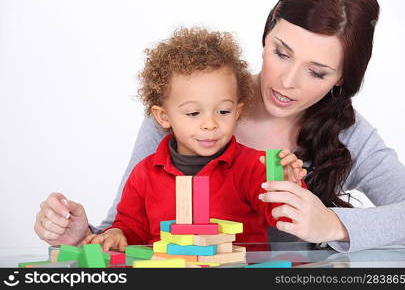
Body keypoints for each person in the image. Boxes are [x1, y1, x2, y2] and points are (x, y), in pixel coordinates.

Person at [34, 0, 405, 253]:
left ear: (341, 81)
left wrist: (334, 225)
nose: (286, 82)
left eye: (316, 73)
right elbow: (128, 228)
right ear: (265, 35)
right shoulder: (188, 105)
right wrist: (80, 235)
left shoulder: (349, 135)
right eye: (281, 53)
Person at [74, 27, 306, 251]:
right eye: (194, 113)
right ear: (163, 117)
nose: (210, 124)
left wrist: (289, 187)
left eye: (223, 111)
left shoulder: (255, 167)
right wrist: (117, 234)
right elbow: (131, 228)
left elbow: (285, 217)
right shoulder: (144, 174)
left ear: (237, 111)